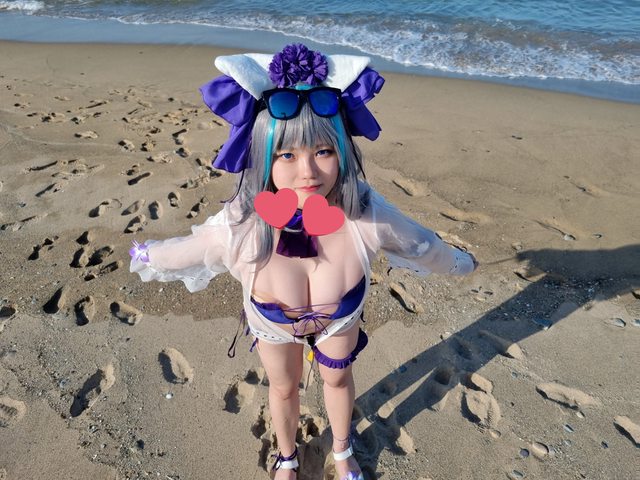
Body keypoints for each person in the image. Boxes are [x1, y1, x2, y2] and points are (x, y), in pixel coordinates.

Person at [129, 44, 477, 480]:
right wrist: (145, 253)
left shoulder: (365, 215)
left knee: (337, 380)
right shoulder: (240, 226)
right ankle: (288, 456)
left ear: (343, 151)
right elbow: (186, 251)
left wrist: (461, 264)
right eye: (287, 155)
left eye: (323, 151)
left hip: (339, 319)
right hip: (272, 324)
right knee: (282, 387)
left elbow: (423, 246)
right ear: (263, 156)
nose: (308, 171)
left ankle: (343, 450)